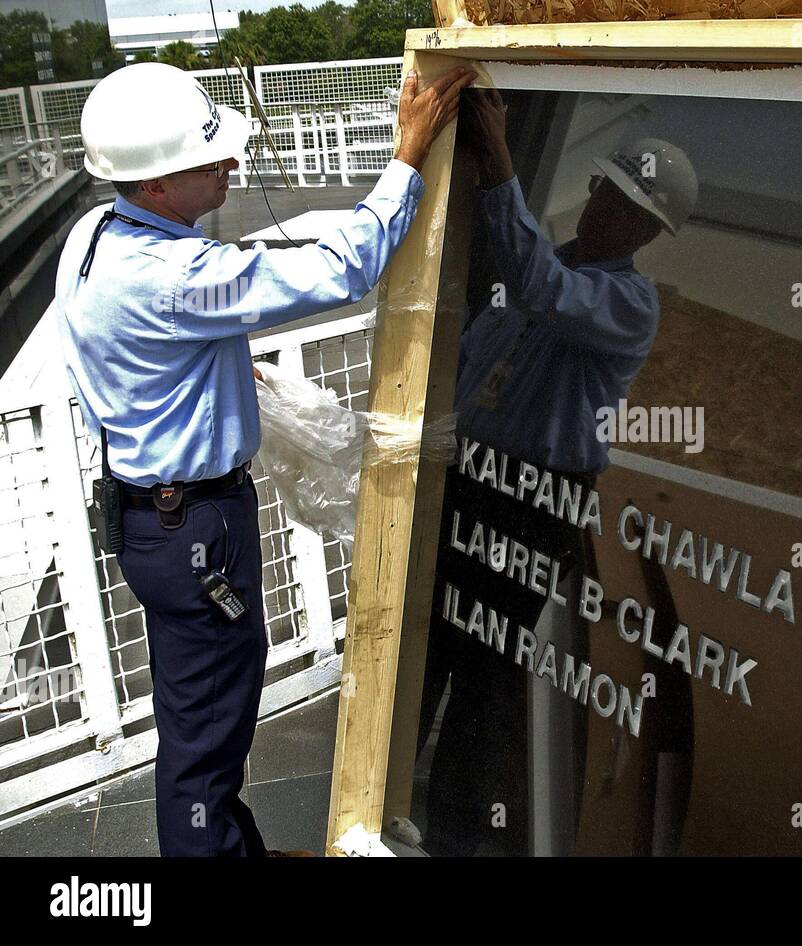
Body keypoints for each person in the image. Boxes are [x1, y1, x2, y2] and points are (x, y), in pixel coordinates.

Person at [54, 61, 475, 857]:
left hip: (156, 521)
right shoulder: (180, 277)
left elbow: (110, 344)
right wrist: (406, 158)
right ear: (151, 185)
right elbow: (338, 269)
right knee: (207, 745)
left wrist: (195, 374)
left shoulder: (94, 237)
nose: (230, 165)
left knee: (199, 721)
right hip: (199, 529)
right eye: (207, 159)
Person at [415, 87, 697, 854]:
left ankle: (453, 839)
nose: (602, 204)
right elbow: (480, 360)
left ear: (648, 230)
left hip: (530, 500)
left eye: (624, 203)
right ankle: (386, 801)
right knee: (428, 646)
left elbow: (540, 287)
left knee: (485, 676)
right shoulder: (552, 264)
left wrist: (500, 160)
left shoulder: (627, 302)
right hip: (471, 477)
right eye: (605, 187)